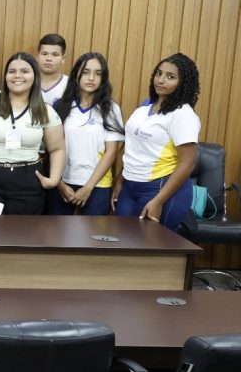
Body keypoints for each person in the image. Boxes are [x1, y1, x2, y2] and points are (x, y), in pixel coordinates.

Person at [0, 52, 66, 214]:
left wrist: (53, 180)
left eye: (24, 71)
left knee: (21, 237)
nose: (18, 76)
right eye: (12, 71)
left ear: (34, 76)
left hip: (27, 183)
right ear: (6, 76)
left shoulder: (45, 111)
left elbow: (57, 149)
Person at [114, 53, 200, 231]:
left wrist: (159, 201)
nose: (160, 80)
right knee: (122, 240)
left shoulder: (182, 114)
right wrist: (120, 181)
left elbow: (188, 162)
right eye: (159, 73)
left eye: (170, 77)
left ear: (183, 82)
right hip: (130, 184)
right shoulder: (146, 105)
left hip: (159, 187)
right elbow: (135, 147)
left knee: (146, 248)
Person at [49, 53, 125, 215]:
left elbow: (111, 153)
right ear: (76, 73)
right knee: (56, 238)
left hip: (97, 185)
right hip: (63, 183)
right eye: (86, 72)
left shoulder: (110, 109)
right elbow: (51, 149)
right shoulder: (61, 106)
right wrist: (59, 184)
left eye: (98, 74)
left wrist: (88, 187)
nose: (91, 78)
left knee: (90, 239)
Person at [38, 34, 69, 105]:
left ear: (63, 58)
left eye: (55, 55)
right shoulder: (28, 82)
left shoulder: (70, 85)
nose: (49, 58)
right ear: (37, 56)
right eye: (44, 54)